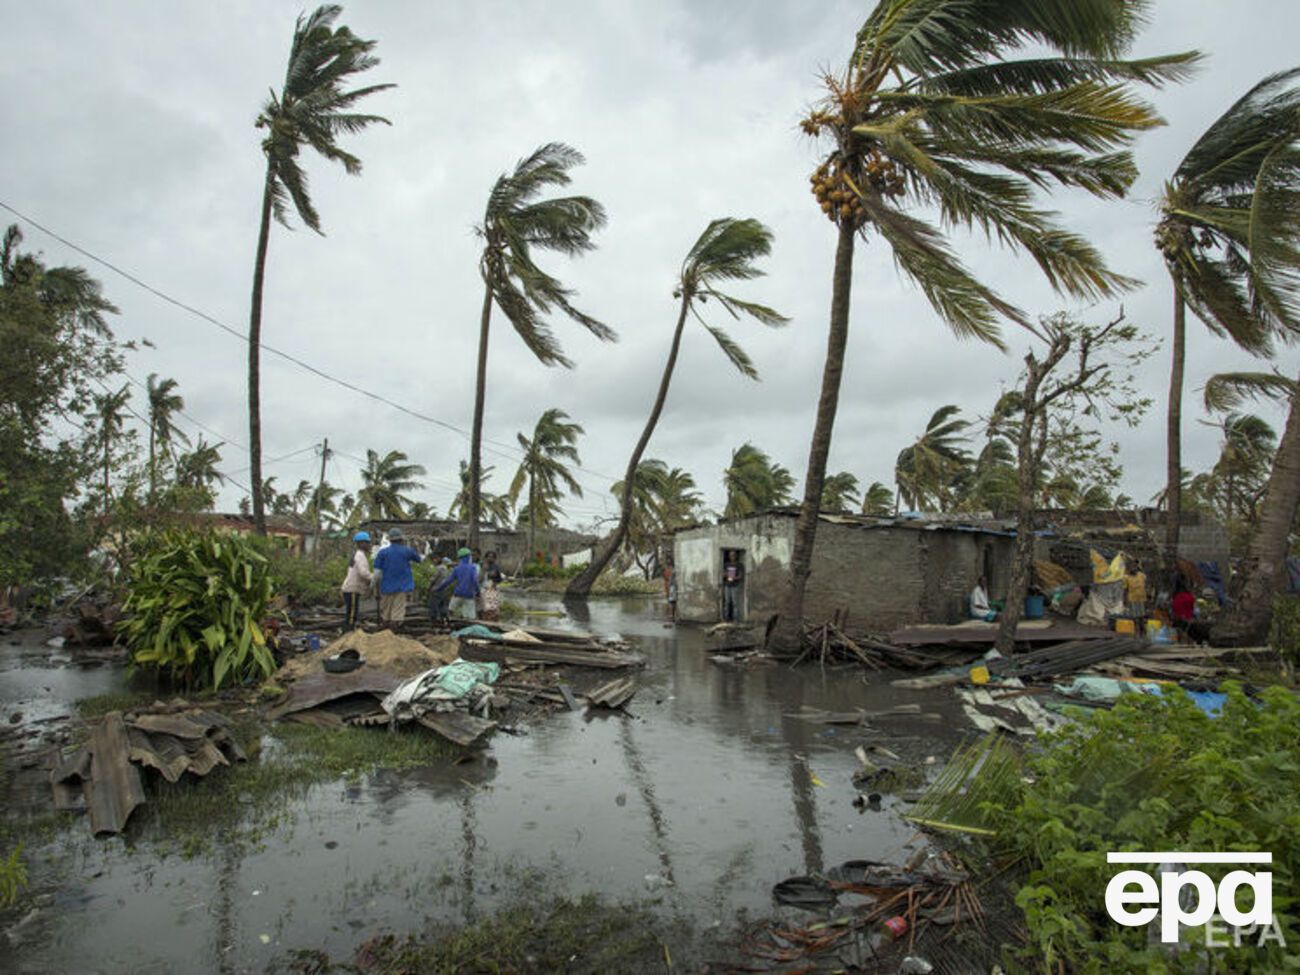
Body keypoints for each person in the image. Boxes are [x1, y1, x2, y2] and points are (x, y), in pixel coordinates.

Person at [372, 527, 422, 628]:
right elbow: (419, 559)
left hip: (386, 587)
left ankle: (385, 633)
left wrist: (372, 585)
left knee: (386, 612)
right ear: (401, 539)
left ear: (390, 539)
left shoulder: (383, 552)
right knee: (397, 613)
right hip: (402, 586)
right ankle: (393, 635)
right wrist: (416, 547)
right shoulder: (407, 551)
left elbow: (377, 573)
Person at [435, 547, 480, 621]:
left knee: (450, 610)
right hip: (469, 595)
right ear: (468, 557)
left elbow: (448, 581)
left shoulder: (457, 569)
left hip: (458, 593)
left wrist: (438, 588)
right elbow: (475, 581)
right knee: (470, 617)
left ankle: (448, 623)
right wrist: (478, 592)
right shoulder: (473, 568)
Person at [341, 531, 373, 630]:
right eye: (367, 543)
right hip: (352, 589)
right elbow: (363, 573)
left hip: (351, 588)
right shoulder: (360, 556)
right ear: (361, 543)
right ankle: (348, 631)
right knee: (352, 614)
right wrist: (374, 577)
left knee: (352, 612)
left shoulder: (358, 555)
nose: (368, 545)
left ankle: (348, 630)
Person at [478, 551, 504, 621]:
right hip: (483, 589)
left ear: (495, 559)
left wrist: (494, 584)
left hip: (493, 590)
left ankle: (493, 623)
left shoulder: (496, 567)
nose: (490, 558)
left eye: (492, 557)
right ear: (485, 558)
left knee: (493, 608)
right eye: (489, 557)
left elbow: (499, 579)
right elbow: (479, 579)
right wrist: (484, 570)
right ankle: (483, 622)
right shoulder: (481, 566)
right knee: (483, 608)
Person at [427, 557, 453, 621]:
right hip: (445, 590)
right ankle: (444, 618)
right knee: (442, 605)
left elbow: (433, 579)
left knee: (433, 605)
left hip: (436, 589)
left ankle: (435, 619)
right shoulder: (449, 571)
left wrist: (429, 587)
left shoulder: (439, 569)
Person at [721, 551, 744, 621]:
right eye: (731, 555)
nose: (732, 557)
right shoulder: (726, 564)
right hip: (727, 586)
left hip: (735, 586)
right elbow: (723, 574)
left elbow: (740, 576)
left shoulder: (739, 565)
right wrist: (726, 575)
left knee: (735, 603)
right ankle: (726, 618)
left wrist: (734, 577)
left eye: (733, 555)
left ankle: (735, 619)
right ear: (729, 556)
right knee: (727, 602)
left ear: (736, 556)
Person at [663, 557, 677, 622]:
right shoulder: (668, 569)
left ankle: (672, 615)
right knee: (671, 601)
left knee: (671, 601)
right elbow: (666, 578)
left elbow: (668, 578)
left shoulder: (672, 570)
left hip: (671, 586)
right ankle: (671, 615)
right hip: (669, 585)